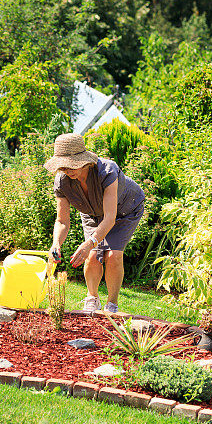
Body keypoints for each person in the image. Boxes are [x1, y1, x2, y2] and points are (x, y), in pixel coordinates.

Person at [45, 133, 145, 313]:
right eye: (64, 167)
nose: (68, 170)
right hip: (92, 214)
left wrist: (90, 242)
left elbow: (109, 218)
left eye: (72, 165)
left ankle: (111, 305)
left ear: (84, 160)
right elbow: (62, 221)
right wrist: (56, 244)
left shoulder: (107, 171)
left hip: (124, 211)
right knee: (91, 256)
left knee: (112, 254)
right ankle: (92, 299)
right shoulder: (62, 182)